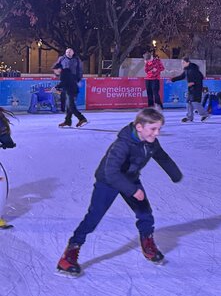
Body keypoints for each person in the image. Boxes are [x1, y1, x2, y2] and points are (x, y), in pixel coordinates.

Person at [56, 108, 184, 277]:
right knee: (93, 218)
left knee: (145, 214)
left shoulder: (151, 141)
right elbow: (111, 172)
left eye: (159, 129)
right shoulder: (122, 144)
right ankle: (69, 254)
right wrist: (132, 190)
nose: (157, 133)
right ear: (139, 127)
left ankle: (148, 245)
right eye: (153, 129)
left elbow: (162, 157)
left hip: (130, 178)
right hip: (108, 182)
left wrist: (175, 175)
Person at [170, 57, 210, 122]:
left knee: (195, 102)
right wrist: (173, 79)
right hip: (191, 88)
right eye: (182, 63)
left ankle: (205, 115)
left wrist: (193, 82)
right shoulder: (186, 69)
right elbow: (182, 76)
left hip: (196, 88)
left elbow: (200, 77)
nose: (182, 64)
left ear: (188, 62)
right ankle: (189, 117)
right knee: (189, 102)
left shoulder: (194, 69)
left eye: (183, 62)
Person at [55, 60, 88, 129]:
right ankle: (67, 121)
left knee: (71, 106)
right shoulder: (66, 73)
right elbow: (67, 82)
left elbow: (64, 82)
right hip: (71, 90)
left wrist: (57, 87)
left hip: (71, 91)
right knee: (68, 107)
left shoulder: (63, 74)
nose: (55, 72)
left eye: (55, 70)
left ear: (59, 69)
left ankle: (82, 118)